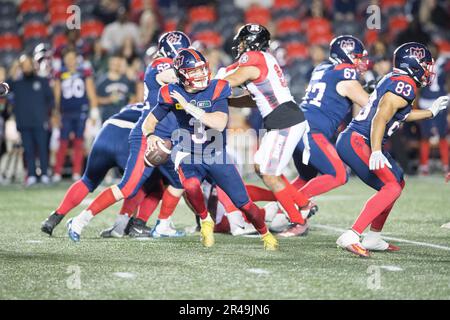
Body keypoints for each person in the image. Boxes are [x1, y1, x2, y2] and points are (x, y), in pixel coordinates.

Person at [142, 48, 278, 250]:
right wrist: (150, 135)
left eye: (201, 69)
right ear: (181, 74)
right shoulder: (170, 92)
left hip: (216, 153)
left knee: (245, 205)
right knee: (190, 186)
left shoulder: (217, 88)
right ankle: (205, 219)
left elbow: (219, 123)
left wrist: (188, 106)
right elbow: (148, 122)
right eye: (193, 71)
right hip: (187, 151)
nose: (200, 75)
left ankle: (265, 234)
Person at [66, 32, 191, 242]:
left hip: (166, 140)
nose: (186, 58)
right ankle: (79, 220)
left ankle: (162, 225)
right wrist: (198, 75)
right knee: (127, 187)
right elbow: (173, 76)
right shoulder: (160, 64)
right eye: (183, 53)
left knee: (179, 181)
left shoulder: (174, 69)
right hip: (148, 136)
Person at [335, 42, 449, 257]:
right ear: (413, 64)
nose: (428, 69)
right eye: (425, 64)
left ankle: (373, 237)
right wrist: (376, 150)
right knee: (391, 187)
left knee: (398, 180)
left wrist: (430, 113)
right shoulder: (404, 84)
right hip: (359, 140)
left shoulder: (397, 79)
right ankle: (352, 234)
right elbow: (381, 117)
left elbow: (400, 115)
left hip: (360, 139)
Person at [222, 24, 315, 237]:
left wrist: (207, 87)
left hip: (285, 120)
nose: (241, 45)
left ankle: (298, 220)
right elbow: (254, 99)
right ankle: (303, 203)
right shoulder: (263, 59)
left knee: (270, 174)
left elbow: (233, 80)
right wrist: (224, 96)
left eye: (244, 40)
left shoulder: (253, 57)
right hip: (281, 118)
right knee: (260, 167)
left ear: (251, 42)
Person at [291, 36, 370, 205]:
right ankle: (293, 208)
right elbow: (370, 106)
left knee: (305, 178)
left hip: (299, 125)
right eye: (357, 57)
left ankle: (273, 211)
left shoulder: (323, 68)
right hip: (312, 130)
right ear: (346, 55)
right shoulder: (346, 75)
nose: (361, 61)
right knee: (339, 174)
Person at [7, 55, 54, 186]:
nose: (27, 66)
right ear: (20, 66)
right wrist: (13, 72)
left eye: (29, 64)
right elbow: (3, 88)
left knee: (43, 148)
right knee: (28, 150)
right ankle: (32, 174)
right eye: (24, 64)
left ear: (33, 65)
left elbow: (51, 99)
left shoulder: (42, 81)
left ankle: (44, 173)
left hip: (40, 121)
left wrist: (46, 114)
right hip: (24, 122)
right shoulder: (16, 82)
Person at [53, 49, 98, 182]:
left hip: (81, 111)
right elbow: (57, 94)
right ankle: (57, 172)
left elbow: (90, 91)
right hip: (65, 112)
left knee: (79, 142)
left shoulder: (84, 72)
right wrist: (55, 111)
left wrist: (94, 110)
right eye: (68, 58)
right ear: (64, 60)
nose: (70, 61)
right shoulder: (60, 74)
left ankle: (77, 172)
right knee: (63, 142)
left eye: (72, 58)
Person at [418, 44, 450, 176]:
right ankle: (424, 165)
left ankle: (445, 165)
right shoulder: (423, 64)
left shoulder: (444, 62)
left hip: (440, 100)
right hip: (426, 102)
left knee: (442, 135)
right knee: (425, 136)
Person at [96, 54, 136, 123]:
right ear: (109, 64)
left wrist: (129, 106)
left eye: (117, 64)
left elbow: (133, 96)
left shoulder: (126, 80)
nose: (115, 66)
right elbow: (95, 99)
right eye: (113, 64)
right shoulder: (102, 81)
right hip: (107, 118)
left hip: (123, 117)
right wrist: (108, 100)